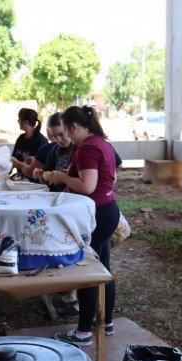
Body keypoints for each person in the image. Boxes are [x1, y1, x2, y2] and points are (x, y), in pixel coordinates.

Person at [47, 105, 119, 346]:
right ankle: (106, 322)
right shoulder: (103, 142)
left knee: (87, 271)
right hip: (109, 209)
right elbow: (112, 174)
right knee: (103, 268)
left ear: (74, 127)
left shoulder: (87, 147)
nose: (66, 137)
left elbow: (87, 186)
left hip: (95, 214)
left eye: (66, 131)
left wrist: (62, 177)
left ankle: (84, 332)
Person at [10, 108, 48, 178]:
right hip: (19, 178)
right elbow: (12, 159)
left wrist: (20, 165)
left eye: (19, 119)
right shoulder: (21, 138)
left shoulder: (41, 141)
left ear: (26, 122)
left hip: (33, 181)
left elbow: (40, 169)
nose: (17, 121)